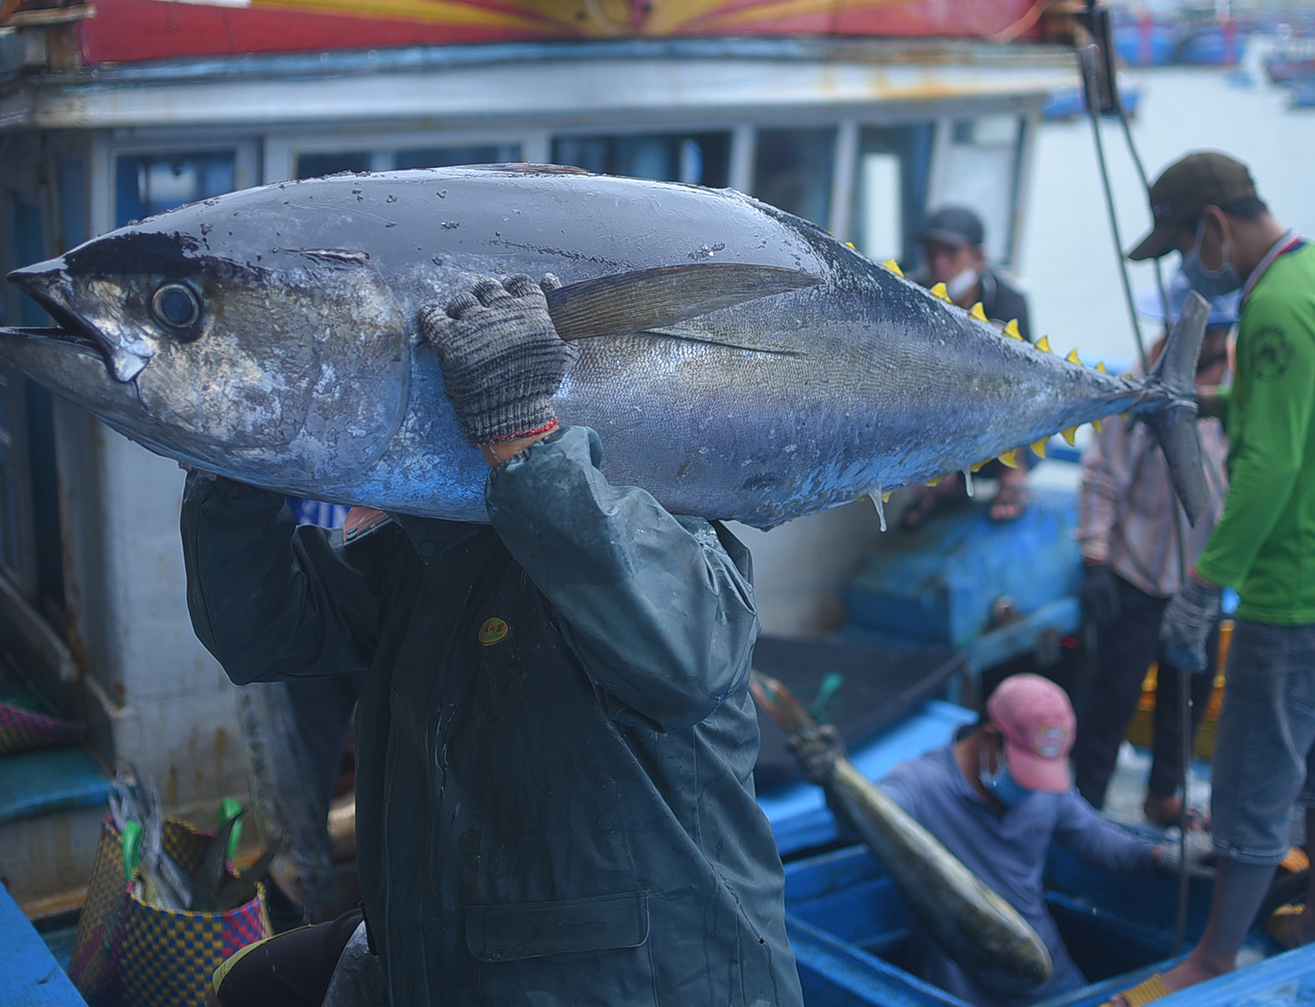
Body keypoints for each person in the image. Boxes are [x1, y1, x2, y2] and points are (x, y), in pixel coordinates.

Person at [182, 275, 800, 1005]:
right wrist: (234, 458)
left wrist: (524, 442)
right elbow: (259, 630)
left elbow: (688, 662)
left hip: (646, 983)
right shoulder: (429, 551)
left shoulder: (672, 519)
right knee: (254, 985)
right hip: (449, 963)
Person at [1109, 151, 1315, 1006]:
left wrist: (1204, 586)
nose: (1190, 263)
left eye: (1186, 244)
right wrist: (1203, 401)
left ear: (1214, 226)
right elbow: (1308, 408)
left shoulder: (1269, 307)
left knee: (1251, 773)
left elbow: (1269, 466)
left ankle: (1214, 956)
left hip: (1296, 584)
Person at [878, 674, 1204, 1007]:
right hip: (963, 985)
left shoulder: (1047, 792)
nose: (1031, 788)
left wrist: (1163, 856)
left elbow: (1094, 839)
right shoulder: (919, 787)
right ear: (989, 737)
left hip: (1046, 975)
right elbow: (869, 813)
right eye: (1024, 772)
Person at [1072, 278, 1235, 827]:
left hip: (1202, 578)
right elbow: (1102, 475)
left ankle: (1164, 794)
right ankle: (1084, 805)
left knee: (1186, 695)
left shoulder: (1243, 391)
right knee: (1111, 697)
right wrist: (1093, 558)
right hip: (1136, 571)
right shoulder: (1140, 387)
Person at [908, 205, 1033, 523]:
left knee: (1013, 392)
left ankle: (1012, 476)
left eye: (951, 251)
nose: (939, 262)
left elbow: (1019, 379)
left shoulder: (1007, 301)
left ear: (978, 257)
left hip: (990, 410)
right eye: (931, 251)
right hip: (936, 407)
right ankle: (939, 483)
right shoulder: (912, 293)